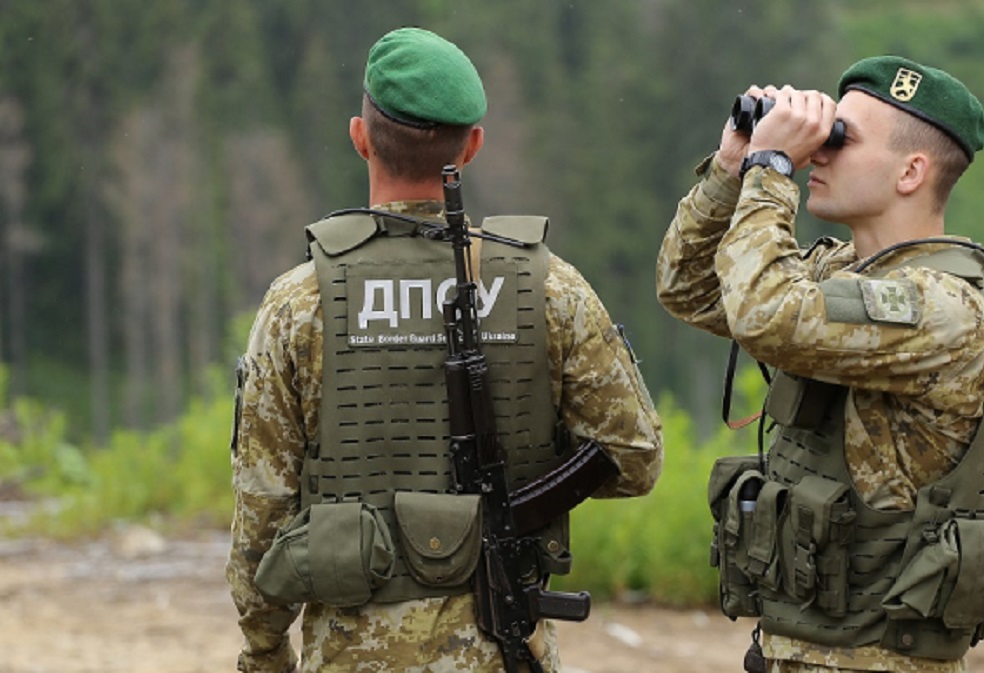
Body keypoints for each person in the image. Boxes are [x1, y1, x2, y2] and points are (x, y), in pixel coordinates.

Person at [227, 27, 663, 673]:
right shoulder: (550, 288)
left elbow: (263, 505)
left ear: (360, 137)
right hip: (501, 647)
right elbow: (634, 460)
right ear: (474, 145)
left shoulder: (299, 303)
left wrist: (264, 649)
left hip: (350, 653)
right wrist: (525, 462)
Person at [657, 56, 984, 672]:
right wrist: (731, 168)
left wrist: (772, 168)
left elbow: (764, 313)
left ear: (911, 172)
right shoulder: (838, 273)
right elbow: (689, 287)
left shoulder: (940, 308)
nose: (819, 153)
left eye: (841, 139)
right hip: (803, 647)